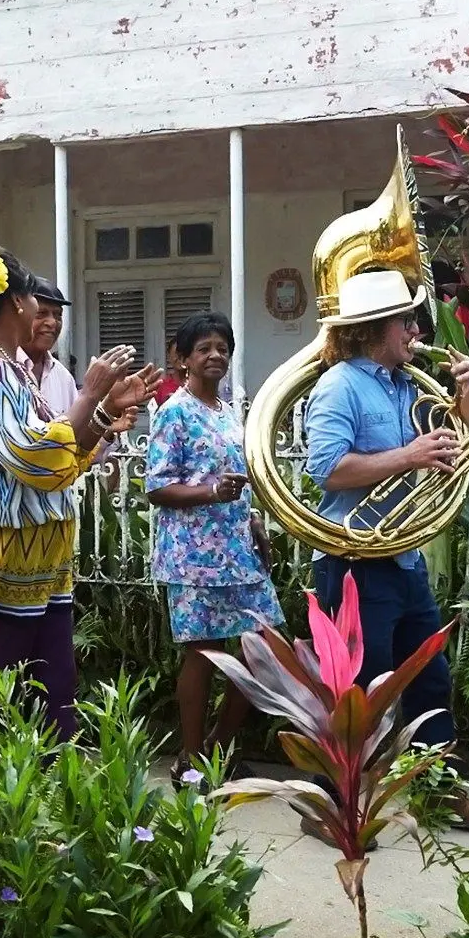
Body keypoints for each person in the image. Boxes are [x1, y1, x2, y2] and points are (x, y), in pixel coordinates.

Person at [0, 242, 157, 739]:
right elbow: (38, 459)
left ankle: (53, 808)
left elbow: (66, 455)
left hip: (41, 565)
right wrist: (91, 394)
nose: (40, 310)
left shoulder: (11, 372)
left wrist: (102, 415)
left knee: (56, 699)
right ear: (15, 304)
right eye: (34, 299)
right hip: (4, 566)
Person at [303, 269, 469, 833]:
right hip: (353, 559)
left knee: (430, 677)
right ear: (372, 329)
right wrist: (408, 456)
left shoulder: (407, 383)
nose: (415, 329)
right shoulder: (339, 385)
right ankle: (335, 805)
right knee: (361, 691)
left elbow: (449, 454)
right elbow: (327, 470)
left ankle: (443, 791)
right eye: (404, 320)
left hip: (402, 556)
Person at [144, 311, 278, 783]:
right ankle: (190, 757)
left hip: (238, 547)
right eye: (204, 348)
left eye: (222, 347)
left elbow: (238, 478)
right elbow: (157, 486)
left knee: (264, 648)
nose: (215, 355)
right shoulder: (173, 412)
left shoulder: (228, 414)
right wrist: (209, 492)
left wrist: (255, 520)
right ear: (183, 359)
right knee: (202, 652)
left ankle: (218, 749)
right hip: (193, 554)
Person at [20, 276, 77, 414]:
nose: (52, 322)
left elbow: (78, 432)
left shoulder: (63, 377)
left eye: (58, 315)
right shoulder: (2, 369)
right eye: (41, 314)